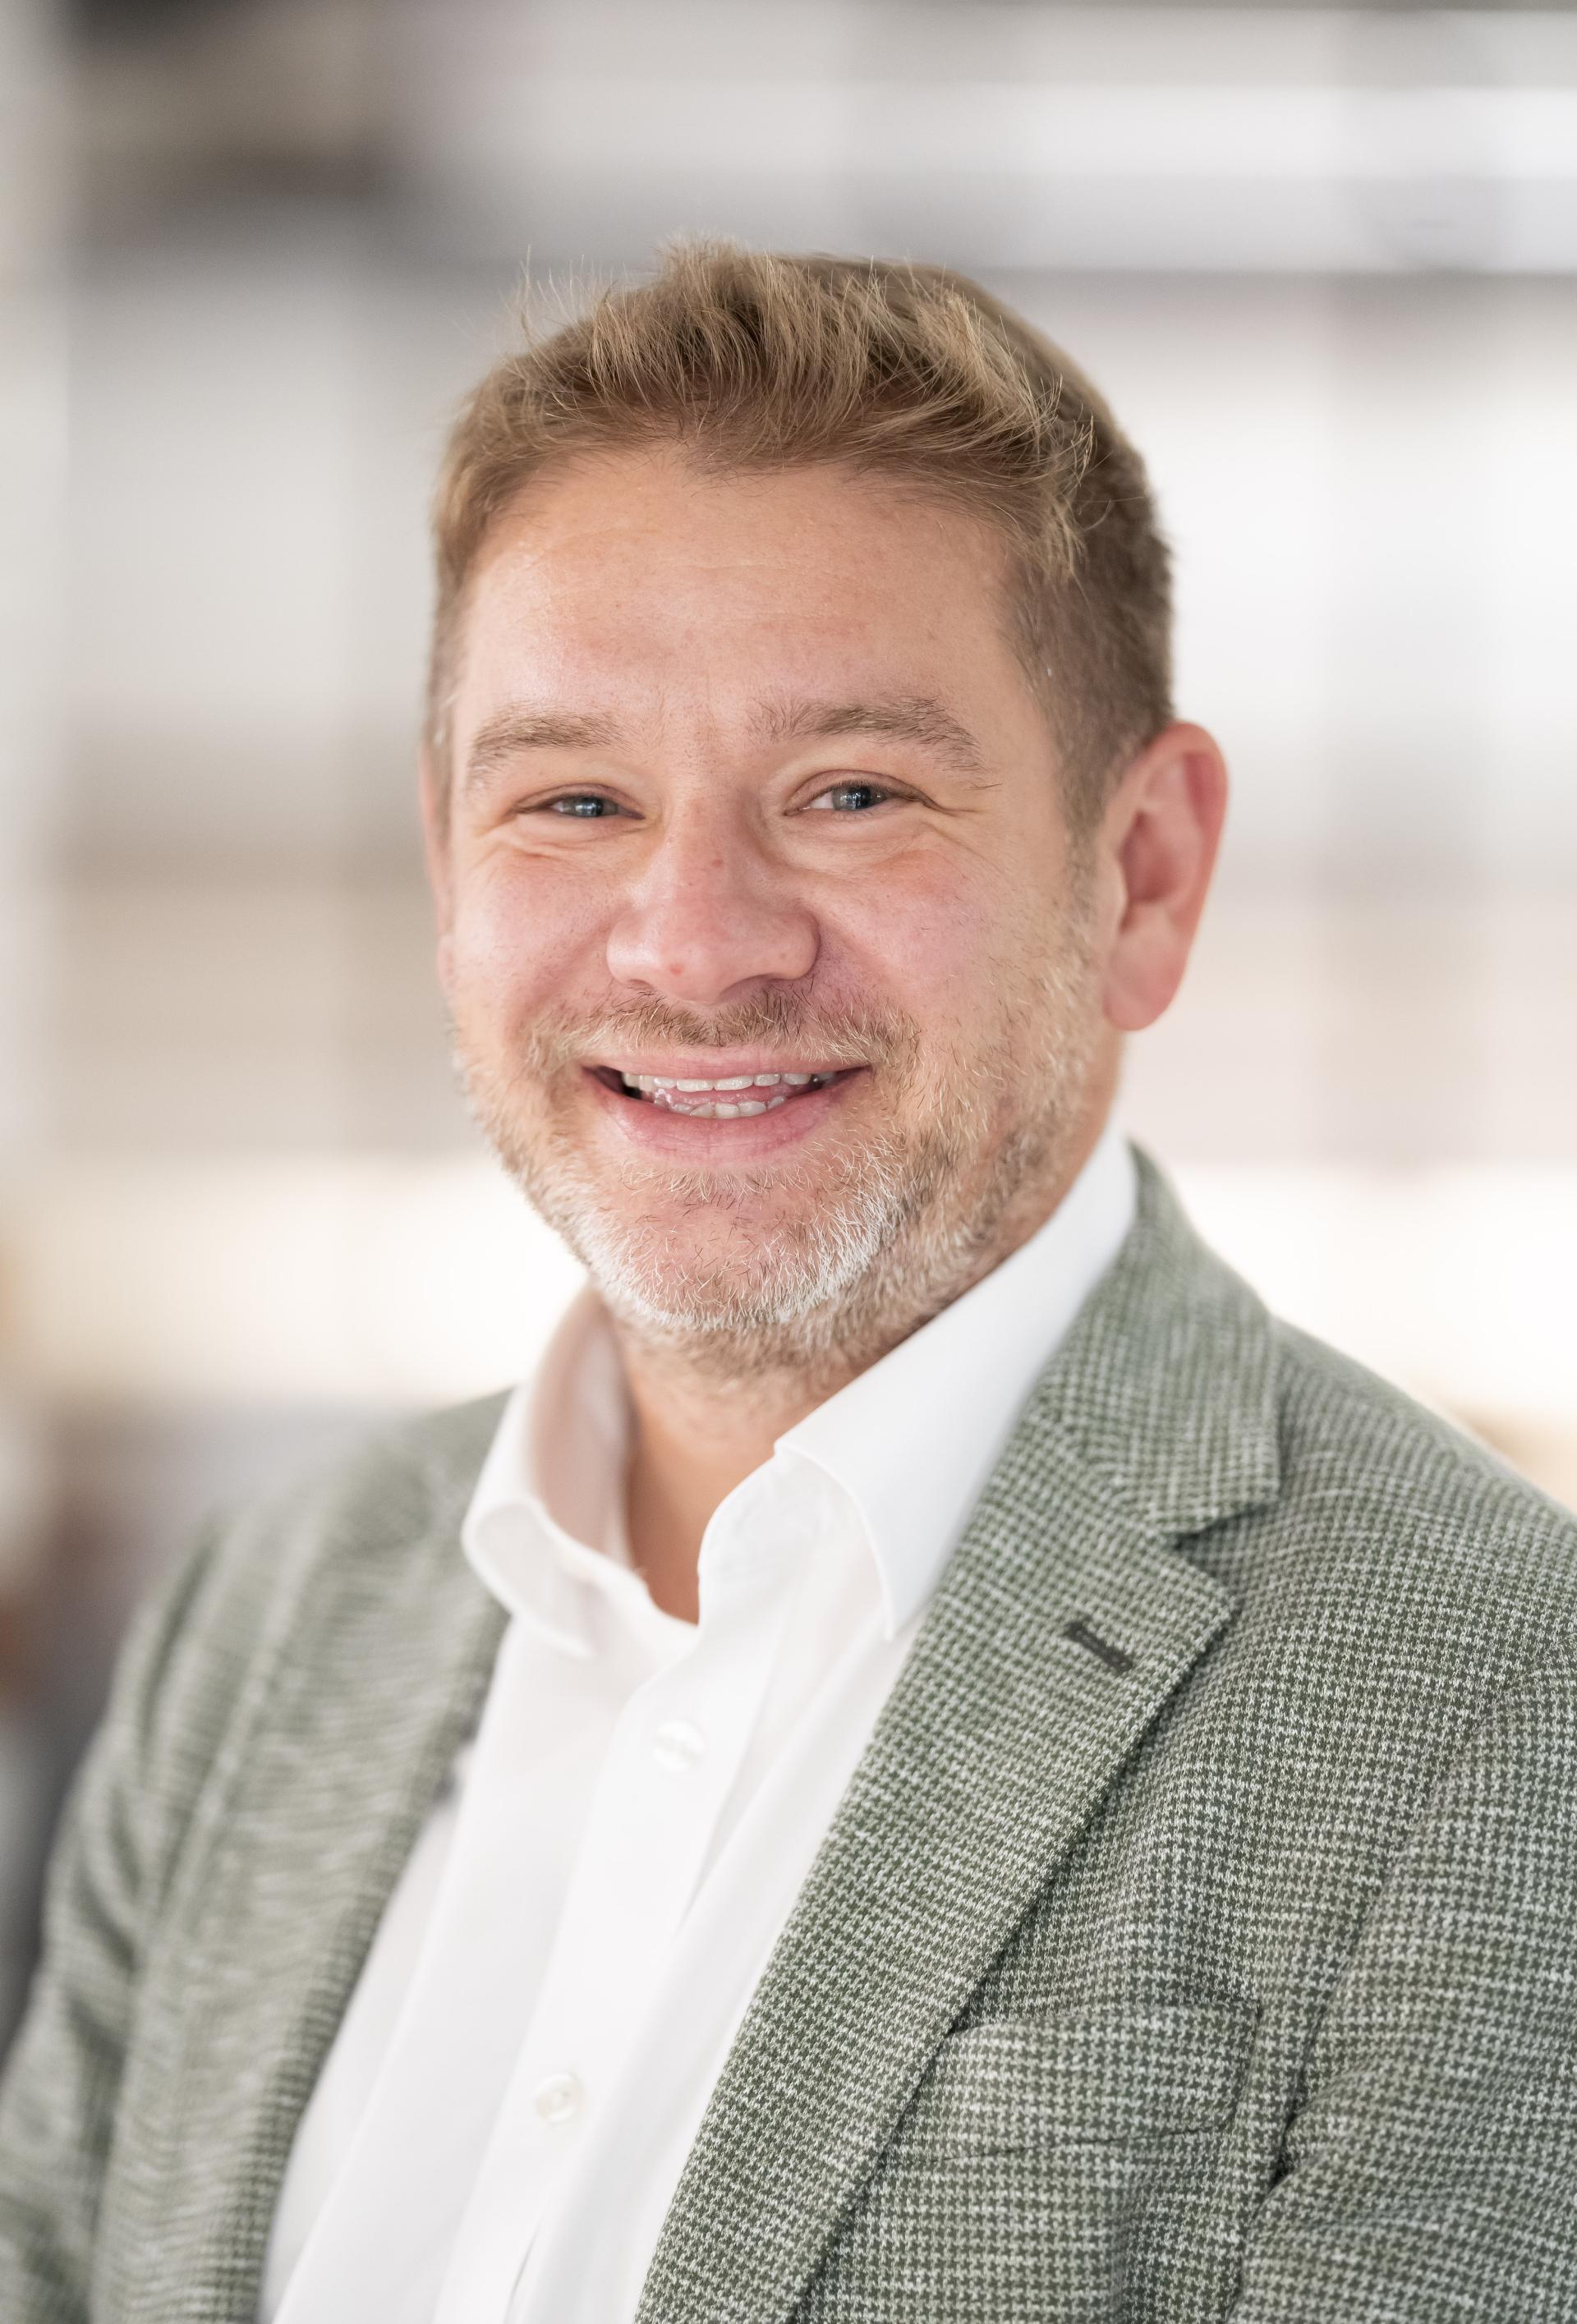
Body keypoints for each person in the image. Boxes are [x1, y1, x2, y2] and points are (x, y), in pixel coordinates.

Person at [2, 246, 1575, 2324]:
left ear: (1144, 875)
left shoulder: (1491, 1718)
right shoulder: (268, 1617)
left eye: (851, 794)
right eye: (573, 799)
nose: (695, 943)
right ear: (448, 868)